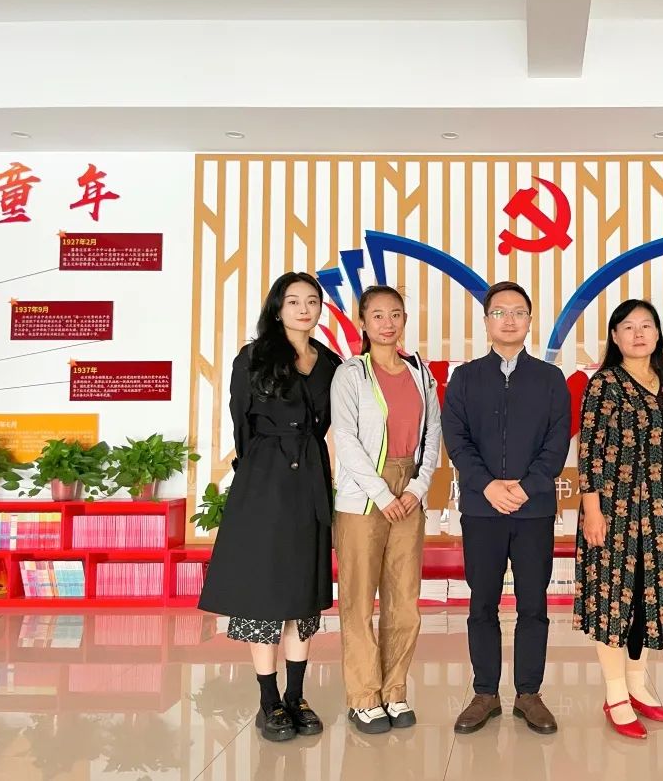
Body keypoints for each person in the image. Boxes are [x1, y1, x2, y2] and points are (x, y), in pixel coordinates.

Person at [199, 272, 342, 742]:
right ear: (277, 308)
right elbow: (240, 423)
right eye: (293, 300)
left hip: (311, 480)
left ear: (320, 309)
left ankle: (296, 697)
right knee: (264, 591)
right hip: (263, 480)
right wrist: (260, 469)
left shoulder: (330, 363)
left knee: (302, 590)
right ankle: (268, 701)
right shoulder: (254, 357)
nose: (303, 309)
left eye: (312, 301)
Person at [442, 281, 571, 735]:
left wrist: (527, 487)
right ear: (486, 322)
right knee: (482, 603)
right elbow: (457, 440)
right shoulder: (465, 378)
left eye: (518, 312)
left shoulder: (550, 379)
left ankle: (529, 694)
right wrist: (488, 486)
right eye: (500, 312)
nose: (509, 319)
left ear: (530, 321)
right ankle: (485, 693)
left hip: (534, 511)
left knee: (533, 603)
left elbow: (557, 442)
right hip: (482, 510)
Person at [574, 299, 663, 740]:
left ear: (658, 334)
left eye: (647, 325)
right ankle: (615, 694)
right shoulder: (604, 383)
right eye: (628, 326)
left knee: (648, 596)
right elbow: (588, 448)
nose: (639, 333)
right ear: (615, 336)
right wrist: (591, 509)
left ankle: (638, 686)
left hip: (660, 507)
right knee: (613, 598)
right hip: (614, 505)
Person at [330, 285, 442, 734]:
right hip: (363, 495)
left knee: (404, 600)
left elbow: (432, 436)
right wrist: (383, 494)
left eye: (395, 314)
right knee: (359, 600)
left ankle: (395, 690)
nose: (387, 323)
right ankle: (363, 696)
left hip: (408, 490)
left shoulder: (420, 373)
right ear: (363, 322)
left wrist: (417, 487)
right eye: (377, 315)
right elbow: (346, 439)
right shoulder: (350, 374)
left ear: (404, 320)